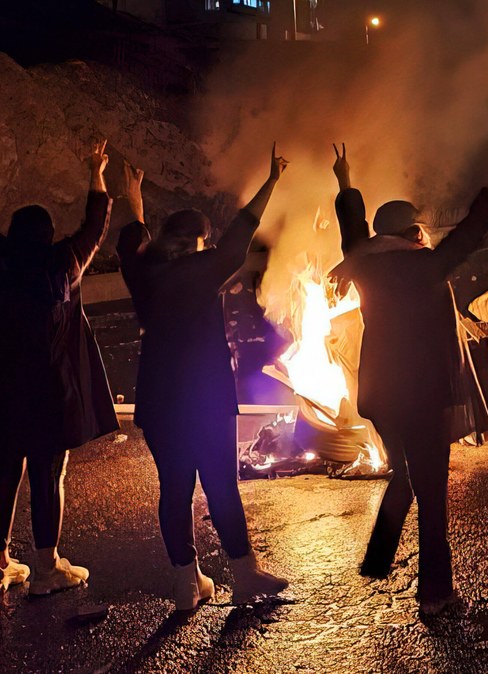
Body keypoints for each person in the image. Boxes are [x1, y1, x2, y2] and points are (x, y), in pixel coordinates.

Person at [330, 145, 488, 620]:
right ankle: (436, 595)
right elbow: (472, 232)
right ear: (412, 231)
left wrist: (345, 181)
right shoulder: (425, 264)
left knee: (408, 474)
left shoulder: (364, 261)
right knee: (432, 495)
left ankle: (378, 559)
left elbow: (353, 231)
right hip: (426, 399)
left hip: (385, 399)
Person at [117, 146, 290, 611]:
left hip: (158, 398)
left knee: (174, 487)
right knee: (220, 485)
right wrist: (271, 181)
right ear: (199, 239)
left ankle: (186, 583)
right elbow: (242, 232)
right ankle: (245, 572)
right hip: (206, 398)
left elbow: (130, 238)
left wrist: (132, 193)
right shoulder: (202, 269)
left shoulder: (145, 271)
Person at [0, 140, 118, 595]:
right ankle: (46, 568)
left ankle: (2, 561)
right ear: (48, 234)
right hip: (50, 393)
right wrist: (96, 170)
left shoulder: (3, 263)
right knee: (48, 475)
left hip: (5, 391)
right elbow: (95, 226)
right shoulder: (63, 264)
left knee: (6, 469)